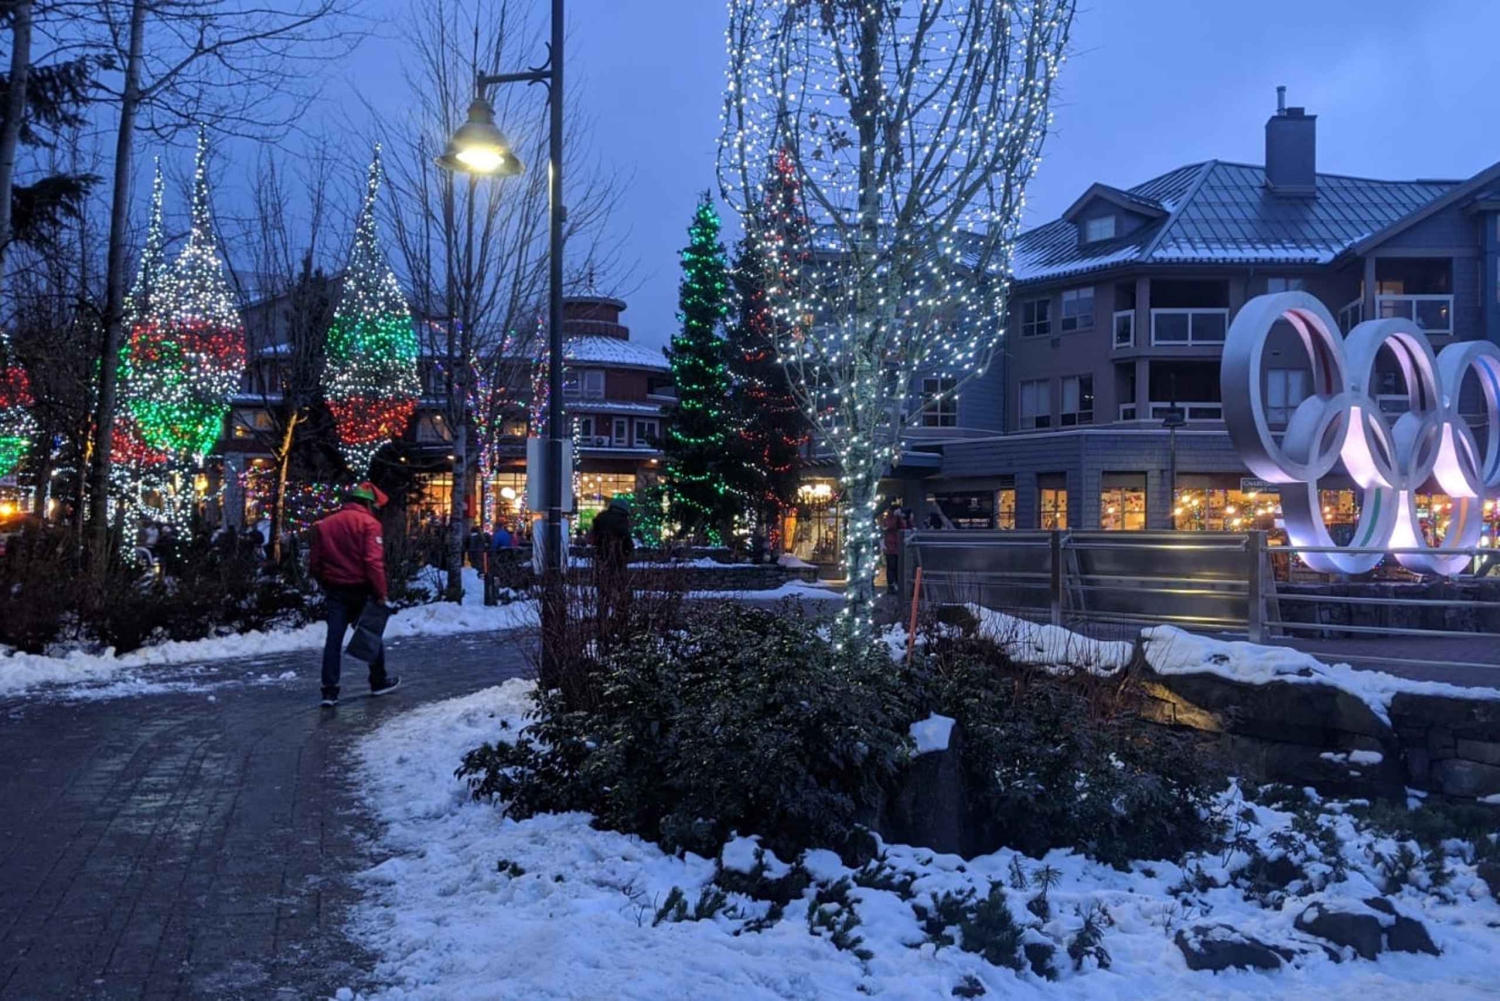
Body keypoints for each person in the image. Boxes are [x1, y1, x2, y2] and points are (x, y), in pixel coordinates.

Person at [308, 482, 400, 707]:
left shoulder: (325, 524)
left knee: (333, 639)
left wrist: (325, 583)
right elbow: (373, 562)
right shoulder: (370, 524)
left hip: (336, 590)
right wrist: (381, 593)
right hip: (362, 589)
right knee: (370, 633)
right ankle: (378, 681)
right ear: (368, 503)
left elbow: (315, 562)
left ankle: (329, 690)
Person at [591, 496, 634, 625]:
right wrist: (627, 552)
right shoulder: (621, 521)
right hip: (617, 561)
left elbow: (593, 539)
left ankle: (601, 620)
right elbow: (627, 542)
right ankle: (621, 620)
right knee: (621, 593)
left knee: (603, 595)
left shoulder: (600, 519)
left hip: (601, 560)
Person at [882, 504, 910, 595]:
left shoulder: (898, 518)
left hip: (898, 547)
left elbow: (903, 527)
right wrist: (895, 517)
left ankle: (898, 585)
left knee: (898, 567)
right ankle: (891, 586)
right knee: (891, 567)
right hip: (890, 547)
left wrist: (900, 518)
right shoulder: (889, 518)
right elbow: (890, 526)